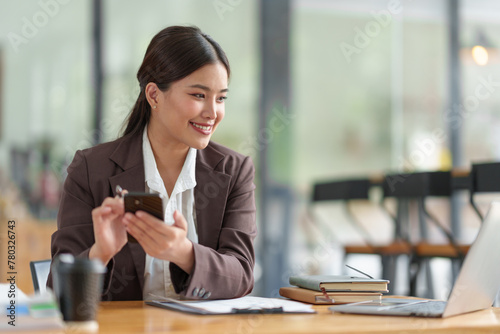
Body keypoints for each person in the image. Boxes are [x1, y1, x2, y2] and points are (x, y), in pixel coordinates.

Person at [48, 26, 257, 301]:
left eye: (221, 98)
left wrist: (183, 253)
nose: (212, 112)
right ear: (154, 95)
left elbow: (241, 274)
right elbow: (58, 293)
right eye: (198, 95)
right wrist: (101, 253)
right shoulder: (90, 170)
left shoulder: (234, 171)